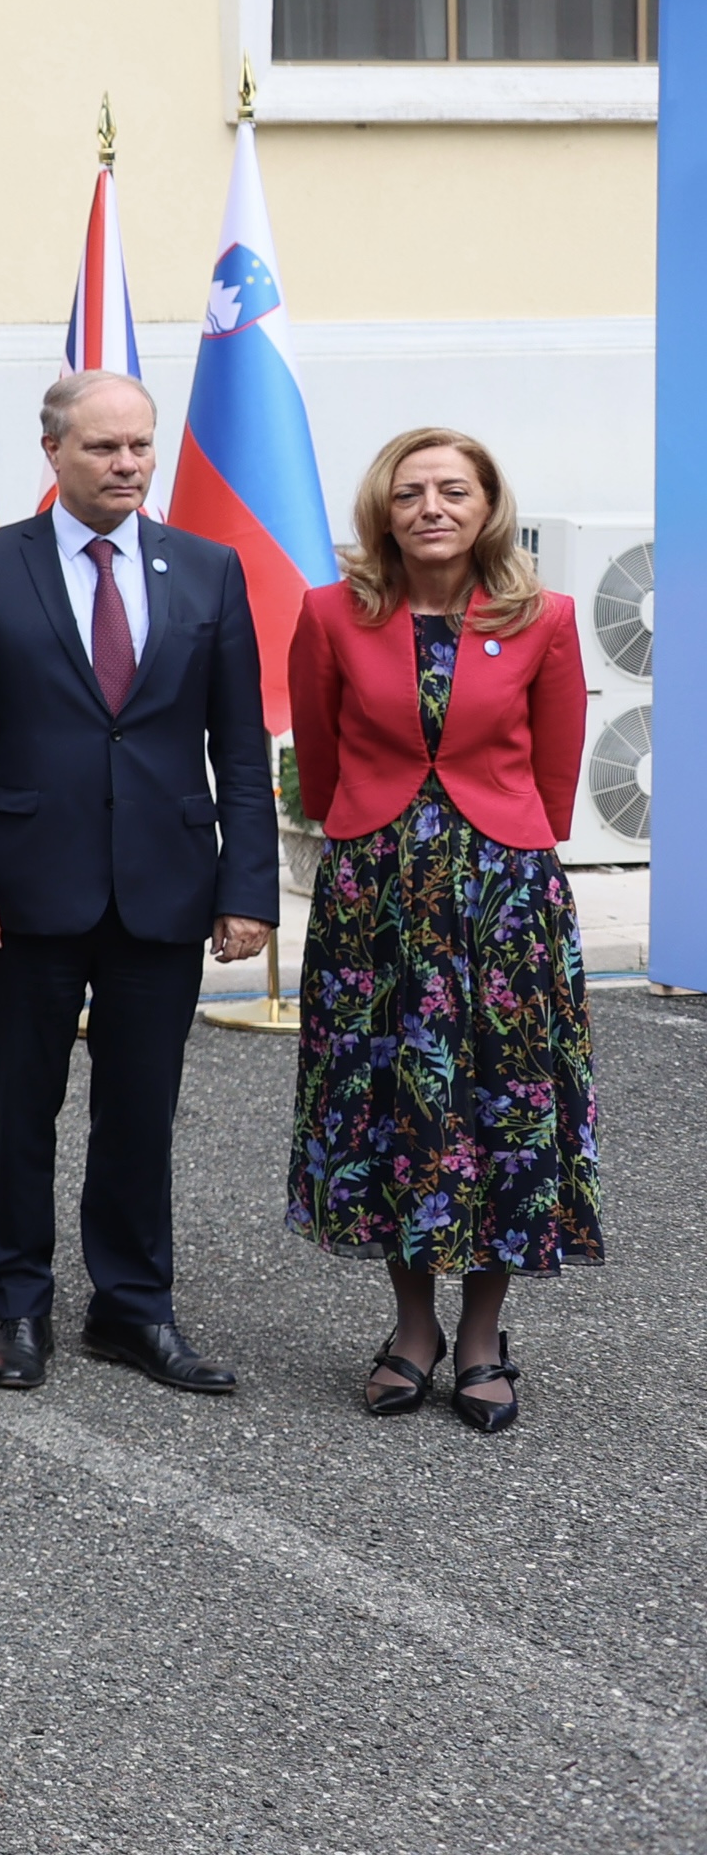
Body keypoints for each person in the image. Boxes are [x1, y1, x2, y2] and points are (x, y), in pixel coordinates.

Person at [0, 372, 272, 1399]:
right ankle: (18, 1304)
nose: (127, 464)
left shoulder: (209, 571)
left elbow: (241, 744)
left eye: (139, 446)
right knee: (19, 1104)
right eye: (103, 449)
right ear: (54, 454)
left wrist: (248, 886)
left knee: (142, 1108)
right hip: (28, 889)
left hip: (165, 888)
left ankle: (132, 1306)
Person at [285, 426, 596, 1436]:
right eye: (411, 490)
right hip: (376, 898)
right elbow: (321, 763)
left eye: (453, 490)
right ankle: (412, 1328)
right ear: (384, 508)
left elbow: (555, 777)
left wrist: (505, 850)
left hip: (505, 900)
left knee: (503, 1108)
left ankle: (483, 1334)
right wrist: (372, 837)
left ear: (487, 504)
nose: (431, 507)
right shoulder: (332, 613)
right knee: (394, 1106)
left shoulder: (543, 615)